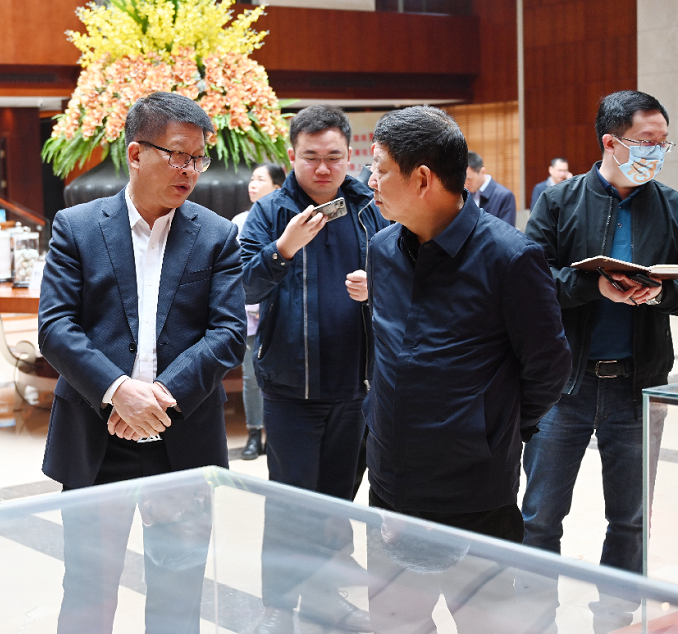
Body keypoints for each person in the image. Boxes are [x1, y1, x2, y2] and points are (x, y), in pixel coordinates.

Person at [38, 91, 246, 633]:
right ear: (135, 154)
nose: (190, 170)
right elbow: (55, 327)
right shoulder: (77, 227)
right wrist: (118, 391)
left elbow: (228, 334)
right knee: (88, 595)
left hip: (182, 438)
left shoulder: (217, 234)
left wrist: (156, 398)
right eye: (178, 155)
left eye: (198, 158)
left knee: (178, 597)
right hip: (96, 436)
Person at [364, 105, 571, 633]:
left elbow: (548, 367)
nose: (370, 182)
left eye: (380, 170)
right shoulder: (382, 248)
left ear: (423, 179)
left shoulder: (509, 257)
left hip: (472, 488)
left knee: (486, 624)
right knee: (394, 623)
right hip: (391, 480)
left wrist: (495, 429)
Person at [522, 90, 677, 633]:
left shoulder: (671, 205)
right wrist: (593, 287)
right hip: (563, 384)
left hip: (639, 385)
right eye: (646, 142)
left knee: (630, 519)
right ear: (611, 142)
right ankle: (535, 619)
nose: (657, 153)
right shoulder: (559, 201)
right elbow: (530, 282)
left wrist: (658, 292)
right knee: (541, 513)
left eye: (664, 143)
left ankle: (616, 620)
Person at [240, 105, 388, 633]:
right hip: (290, 386)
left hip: (355, 385)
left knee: (336, 502)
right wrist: (283, 250)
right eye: (310, 157)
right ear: (291, 156)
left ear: (350, 155)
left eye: (333, 157)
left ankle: (325, 600)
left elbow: (411, 280)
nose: (323, 168)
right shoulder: (270, 213)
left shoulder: (370, 208)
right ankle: (279, 607)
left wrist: (378, 287)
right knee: (289, 503)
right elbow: (242, 285)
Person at [231, 163, 285, 459]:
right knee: (251, 376)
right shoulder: (239, 221)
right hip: (250, 313)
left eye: (260, 179)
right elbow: (235, 271)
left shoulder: (291, 220)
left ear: (277, 187)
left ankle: (278, 435)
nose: (252, 184)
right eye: (251, 179)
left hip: (282, 311)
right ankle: (254, 434)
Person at [465, 151, 517, 225]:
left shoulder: (504, 196)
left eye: (469, 180)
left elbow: (506, 229)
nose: (465, 184)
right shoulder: (465, 194)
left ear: (482, 172)